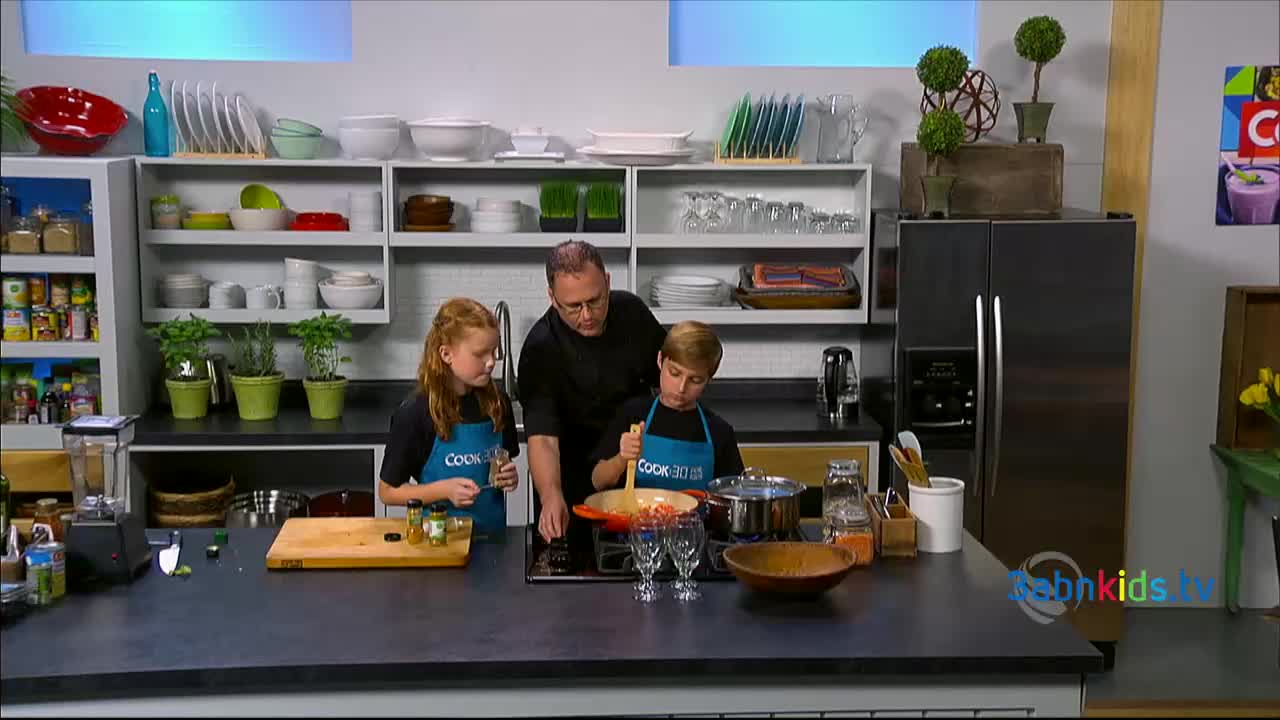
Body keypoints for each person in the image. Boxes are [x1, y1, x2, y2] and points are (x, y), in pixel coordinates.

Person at [518, 240, 667, 543]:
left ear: (608, 282)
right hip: (570, 484)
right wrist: (550, 496)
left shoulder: (632, 313)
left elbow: (668, 377)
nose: (586, 315)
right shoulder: (541, 348)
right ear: (552, 297)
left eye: (595, 301)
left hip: (634, 475)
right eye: (572, 307)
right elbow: (544, 439)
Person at [379, 298, 520, 538]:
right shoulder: (415, 414)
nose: (490, 363)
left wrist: (509, 476)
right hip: (438, 544)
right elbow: (388, 492)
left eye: (494, 352)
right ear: (446, 354)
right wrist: (444, 490)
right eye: (480, 354)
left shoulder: (498, 403)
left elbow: (503, 461)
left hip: (492, 540)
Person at [590, 321, 744, 493]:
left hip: (695, 520)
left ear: (709, 379)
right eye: (675, 373)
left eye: (695, 380)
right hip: (635, 519)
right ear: (660, 360)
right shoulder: (633, 413)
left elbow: (734, 496)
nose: (681, 388)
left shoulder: (719, 432)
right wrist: (621, 459)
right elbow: (598, 481)